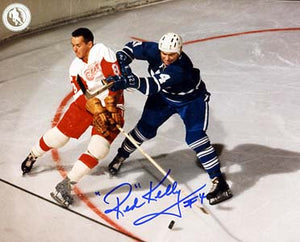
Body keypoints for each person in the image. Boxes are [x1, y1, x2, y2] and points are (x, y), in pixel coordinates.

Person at [105, 32, 232, 205]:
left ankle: (219, 182)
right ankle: (121, 156)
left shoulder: (181, 68)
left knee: (195, 138)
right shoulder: (155, 50)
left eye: (171, 54)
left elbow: (151, 85)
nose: (166, 57)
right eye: (164, 53)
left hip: (190, 101)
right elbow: (129, 48)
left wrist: (129, 81)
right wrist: (123, 60)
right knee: (143, 129)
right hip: (164, 97)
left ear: (180, 50)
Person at [21, 27, 124, 207]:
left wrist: (110, 104)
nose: (74, 49)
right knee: (59, 137)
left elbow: (116, 79)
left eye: (78, 45)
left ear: (89, 44)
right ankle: (33, 154)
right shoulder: (75, 67)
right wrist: (94, 107)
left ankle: (66, 184)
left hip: (110, 102)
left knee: (99, 149)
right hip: (87, 103)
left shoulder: (102, 52)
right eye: (72, 45)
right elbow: (79, 94)